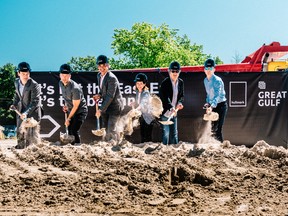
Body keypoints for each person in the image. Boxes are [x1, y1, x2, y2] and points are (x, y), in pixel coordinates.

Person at [11, 62, 43, 149]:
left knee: (31, 133)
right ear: (18, 73)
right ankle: (20, 147)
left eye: (27, 74)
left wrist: (26, 112)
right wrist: (14, 104)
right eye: (23, 74)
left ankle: (33, 149)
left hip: (33, 111)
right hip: (21, 109)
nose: (25, 76)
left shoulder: (34, 85)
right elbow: (17, 95)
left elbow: (35, 101)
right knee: (19, 130)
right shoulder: (16, 82)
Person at [93, 55, 124, 144]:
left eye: (104, 65)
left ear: (108, 65)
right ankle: (107, 144)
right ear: (98, 66)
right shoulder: (99, 76)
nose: (102, 68)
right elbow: (103, 91)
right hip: (107, 105)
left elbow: (110, 96)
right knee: (105, 127)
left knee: (111, 127)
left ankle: (114, 145)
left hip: (115, 106)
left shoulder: (111, 78)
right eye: (100, 66)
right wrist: (99, 95)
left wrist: (100, 109)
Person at [59, 63, 88, 145]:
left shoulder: (75, 88)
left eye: (66, 75)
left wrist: (68, 118)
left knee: (74, 130)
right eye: (63, 75)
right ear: (60, 75)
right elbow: (66, 98)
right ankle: (72, 148)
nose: (64, 77)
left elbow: (76, 106)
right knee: (69, 129)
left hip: (80, 111)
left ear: (70, 76)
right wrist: (66, 107)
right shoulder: (60, 83)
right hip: (71, 109)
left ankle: (78, 148)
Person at [159, 61, 184, 145]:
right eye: (173, 71)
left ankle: (175, 150)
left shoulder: (181, 82)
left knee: (174, 134)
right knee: (166, 134)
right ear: (169, 71)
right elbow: (165, 98)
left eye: (177, 71)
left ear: (179, 72)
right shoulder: (164, 83)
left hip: (174, 113)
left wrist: (180, 103)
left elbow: (181, 96)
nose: (175, 73)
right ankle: (164, 151)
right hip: (166, 113)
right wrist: (171, 107)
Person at [203, 58, 228, 142]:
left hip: (221, 106)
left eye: (210, 68)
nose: (208, 70)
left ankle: (220, 149)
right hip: (213, 105)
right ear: (204, 70)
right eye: (207, 68)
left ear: (214, 69)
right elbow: (208, 94)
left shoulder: (217, 80)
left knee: (217, 130)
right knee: (212, 129)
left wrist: (212, 106)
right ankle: (213, 147)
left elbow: (217, 95)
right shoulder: (205, 80)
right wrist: (207, 104)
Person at [132, 73, 154, 143]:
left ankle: (148, 150)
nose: (139, 85)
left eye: (141, 83)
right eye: (137, 83)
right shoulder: (137, 91)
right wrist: (134, 103)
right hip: (142, 116)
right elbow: (139, 100)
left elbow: (143, 103)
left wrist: (137, 109)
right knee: (142, 133)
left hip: (148, 117)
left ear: (144, 84)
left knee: (147, 135)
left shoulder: (146, 93)